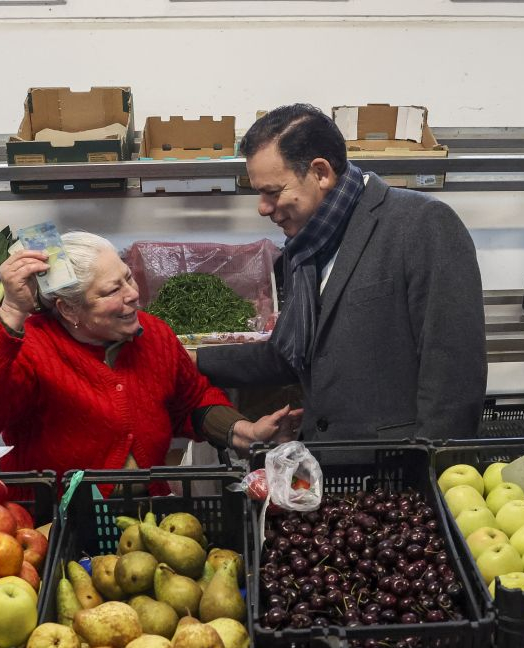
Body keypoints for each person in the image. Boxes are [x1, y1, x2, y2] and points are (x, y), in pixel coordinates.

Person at [195, 104, 487, 441]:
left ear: (320, 173)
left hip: (399, 476)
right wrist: (190, 362)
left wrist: (429, 474)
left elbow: (454, 377)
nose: (262, 207)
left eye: (272, 192)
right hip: (330, 473)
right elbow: (286, 355)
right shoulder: (305, 250)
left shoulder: (421, 224)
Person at [0, 231, 300, 484]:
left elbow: (192, 401)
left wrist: (243, 432)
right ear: (68, 309)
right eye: (113, 290)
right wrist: (12, 311)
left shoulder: (154, 334)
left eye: (128, 278)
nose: (133, 295)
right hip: (55, 525)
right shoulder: (33, 348)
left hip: (145, 519)